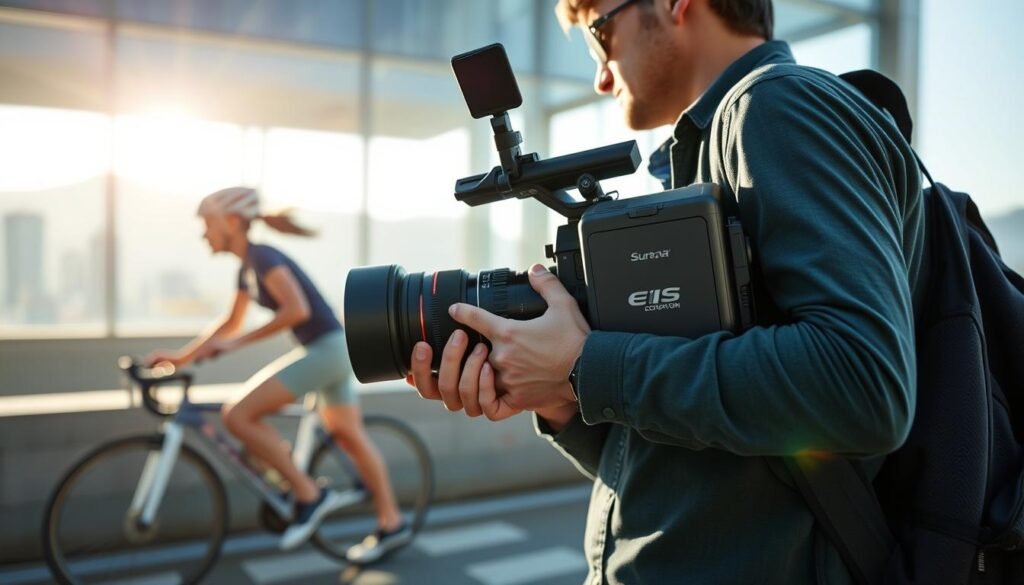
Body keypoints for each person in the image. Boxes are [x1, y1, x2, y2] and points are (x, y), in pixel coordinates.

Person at [407, 0, 925, 583]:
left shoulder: (778, 109)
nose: (602, 75)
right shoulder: (709, 155)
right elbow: (690, 462)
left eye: (600, 33)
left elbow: (861, 385)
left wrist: (587, 364)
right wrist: (562, 395)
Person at [147, 187, 410, 563]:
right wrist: (179, 359)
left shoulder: (263, 257)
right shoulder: (248, 267)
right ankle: (392, 521)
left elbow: (296, 310)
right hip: (333, 349)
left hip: (328, 349)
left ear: (232, 223)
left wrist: (234, 346)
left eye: (208, 224)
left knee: (237, 414)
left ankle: (308, 494)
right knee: (349, 435)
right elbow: (230, 322)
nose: (204, 233)